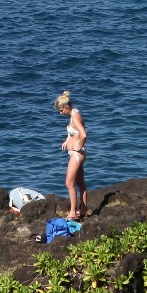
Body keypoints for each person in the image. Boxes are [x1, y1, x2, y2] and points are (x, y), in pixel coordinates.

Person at [56, 90, 87, 221]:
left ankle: (73, 212)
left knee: (69, 183)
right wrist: (67, 140)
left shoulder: (75, 116)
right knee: (80, 182)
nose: (60, 113)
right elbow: (74, 133)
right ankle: (84, 209)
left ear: (67, 107)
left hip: (77, 154)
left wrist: (79, 145)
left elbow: (83, 134)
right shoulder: (74, 114)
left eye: (61, 110)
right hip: (75, 152)